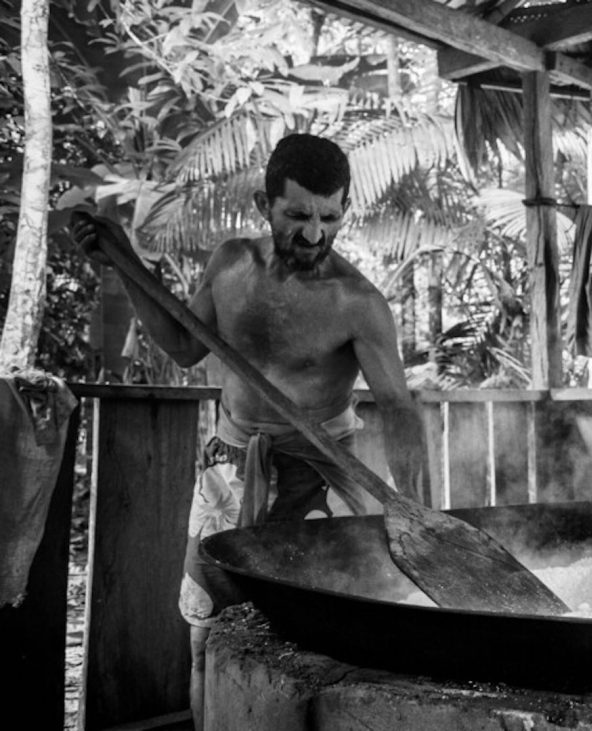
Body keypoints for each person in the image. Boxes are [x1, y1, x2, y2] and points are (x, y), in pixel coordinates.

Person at [69, 133, 429, 729]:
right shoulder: (231, 264)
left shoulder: (357, 301)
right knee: (207, 630)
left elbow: (398, 406)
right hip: (228, 469)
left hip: (320, 476)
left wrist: (419, 515)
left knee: (324, 641)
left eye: (329, 217)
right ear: (265, 206)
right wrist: (122, 261)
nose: (315, 234)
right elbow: (185, 345)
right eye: (297, 215)